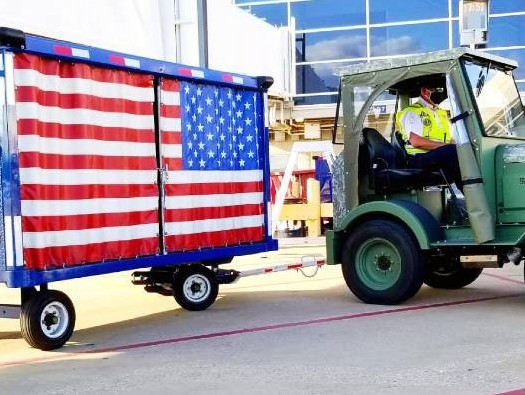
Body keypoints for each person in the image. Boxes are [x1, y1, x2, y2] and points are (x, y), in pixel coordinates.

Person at [395, 86, 463, 190]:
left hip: (435, 156)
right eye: (437, 89)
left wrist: (462, 147)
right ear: (424, 91)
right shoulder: (413, 112)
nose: (441, 94)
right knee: (451, 151)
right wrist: (448, 147)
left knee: (465, 152)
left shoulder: (440, 113)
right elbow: (416, 141)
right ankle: (471, 196)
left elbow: (450, 139)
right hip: (416, 158)